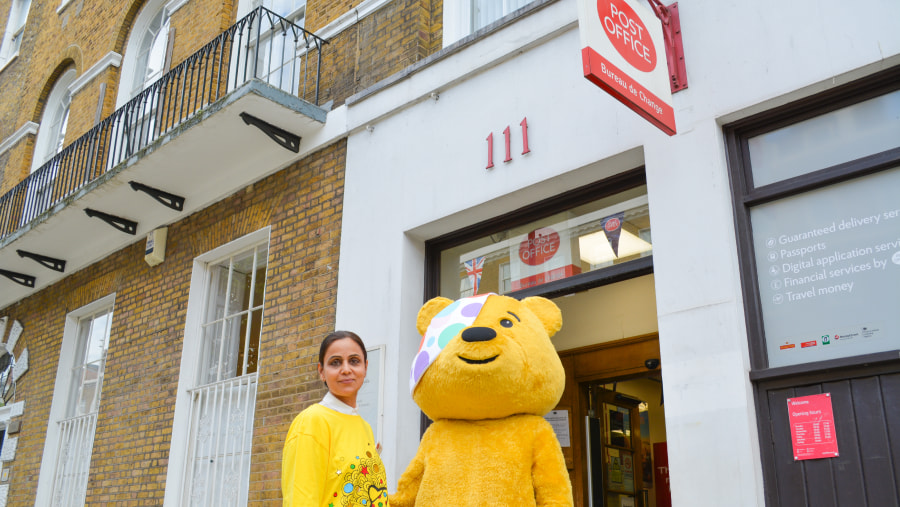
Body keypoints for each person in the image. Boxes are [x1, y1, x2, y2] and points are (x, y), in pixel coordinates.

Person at [282, 331, 390, 507]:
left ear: (365, 367)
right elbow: (300, 499)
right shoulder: (311, 422)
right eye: (335, 362)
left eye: (354, 361)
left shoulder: (365, 427)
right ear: (321, 371)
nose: (346, 369)